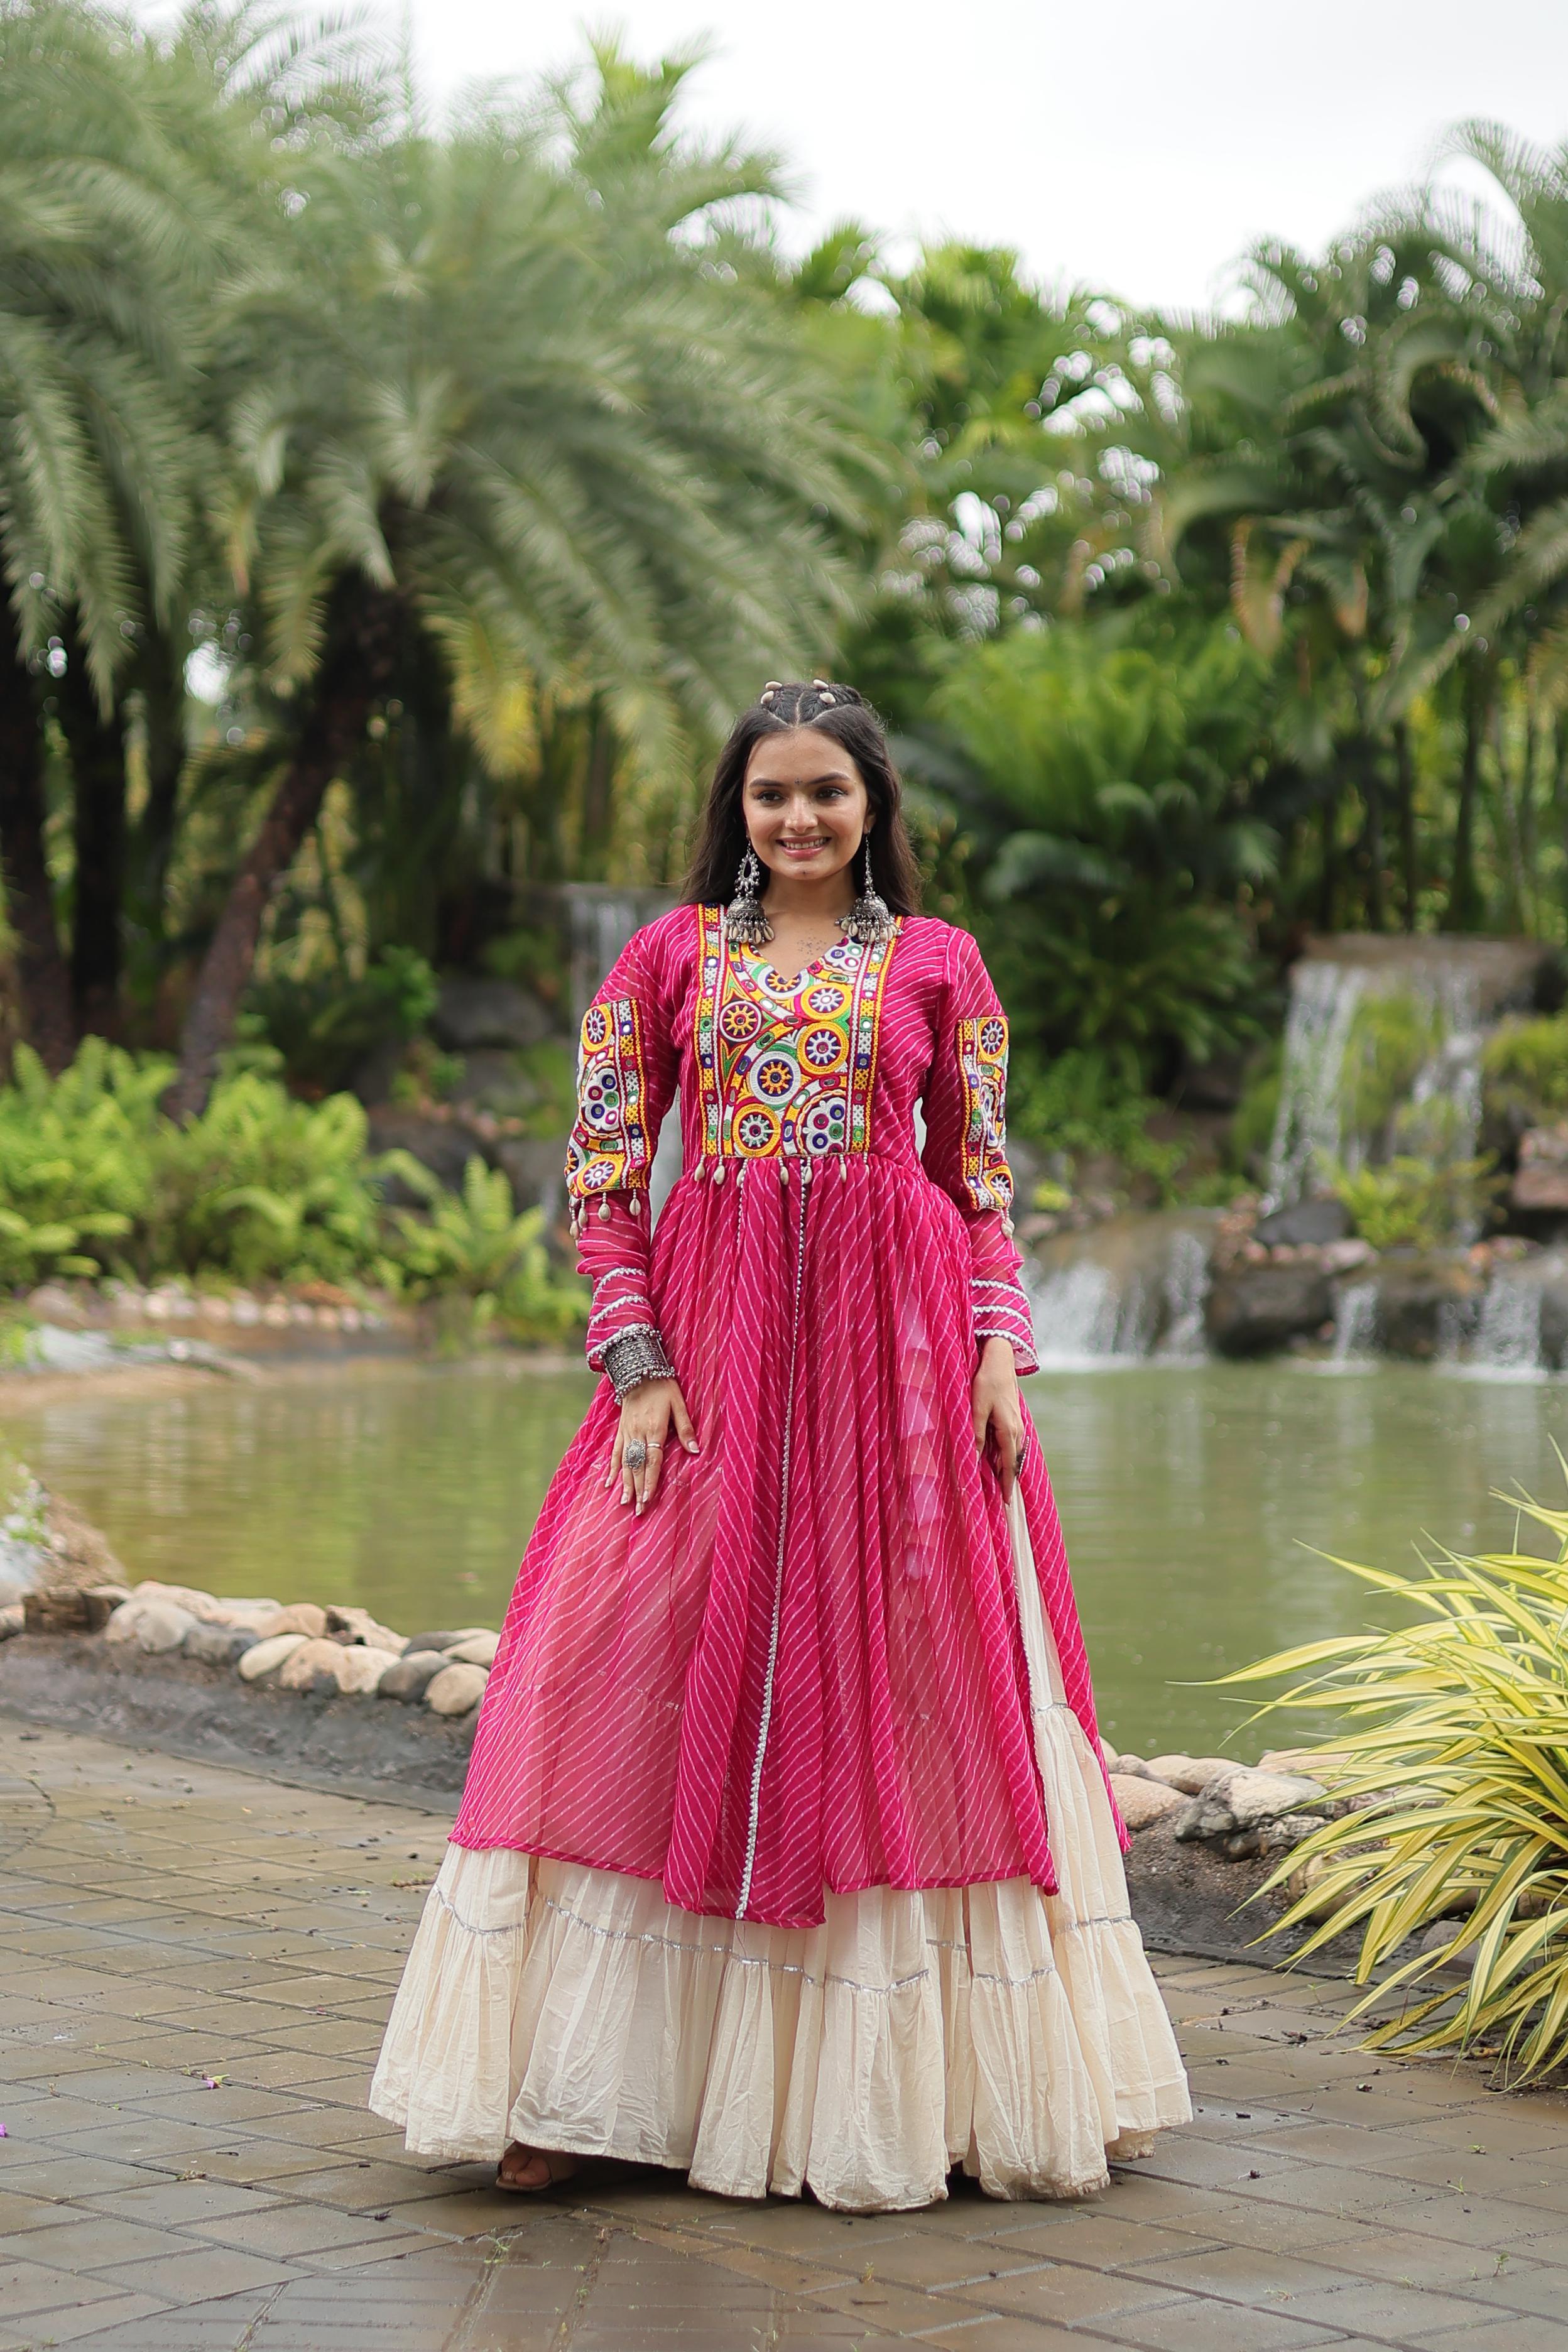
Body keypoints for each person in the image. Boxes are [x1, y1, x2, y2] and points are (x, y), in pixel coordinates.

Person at [371, 680, 1189, 2211]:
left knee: (902, 1693)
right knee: (611, 1657)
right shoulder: (667, 958)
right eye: (772, 795)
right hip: (711, 1354)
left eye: (828, 791)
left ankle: (898, 2093)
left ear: (874, 805)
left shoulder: (943, 968)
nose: (799, 817)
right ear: (735, 812)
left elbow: (982, 1190)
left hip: (905, 1375)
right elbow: (605, 1180)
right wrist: (635, 1369)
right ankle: (574, 2084)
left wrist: (1003, 1353)